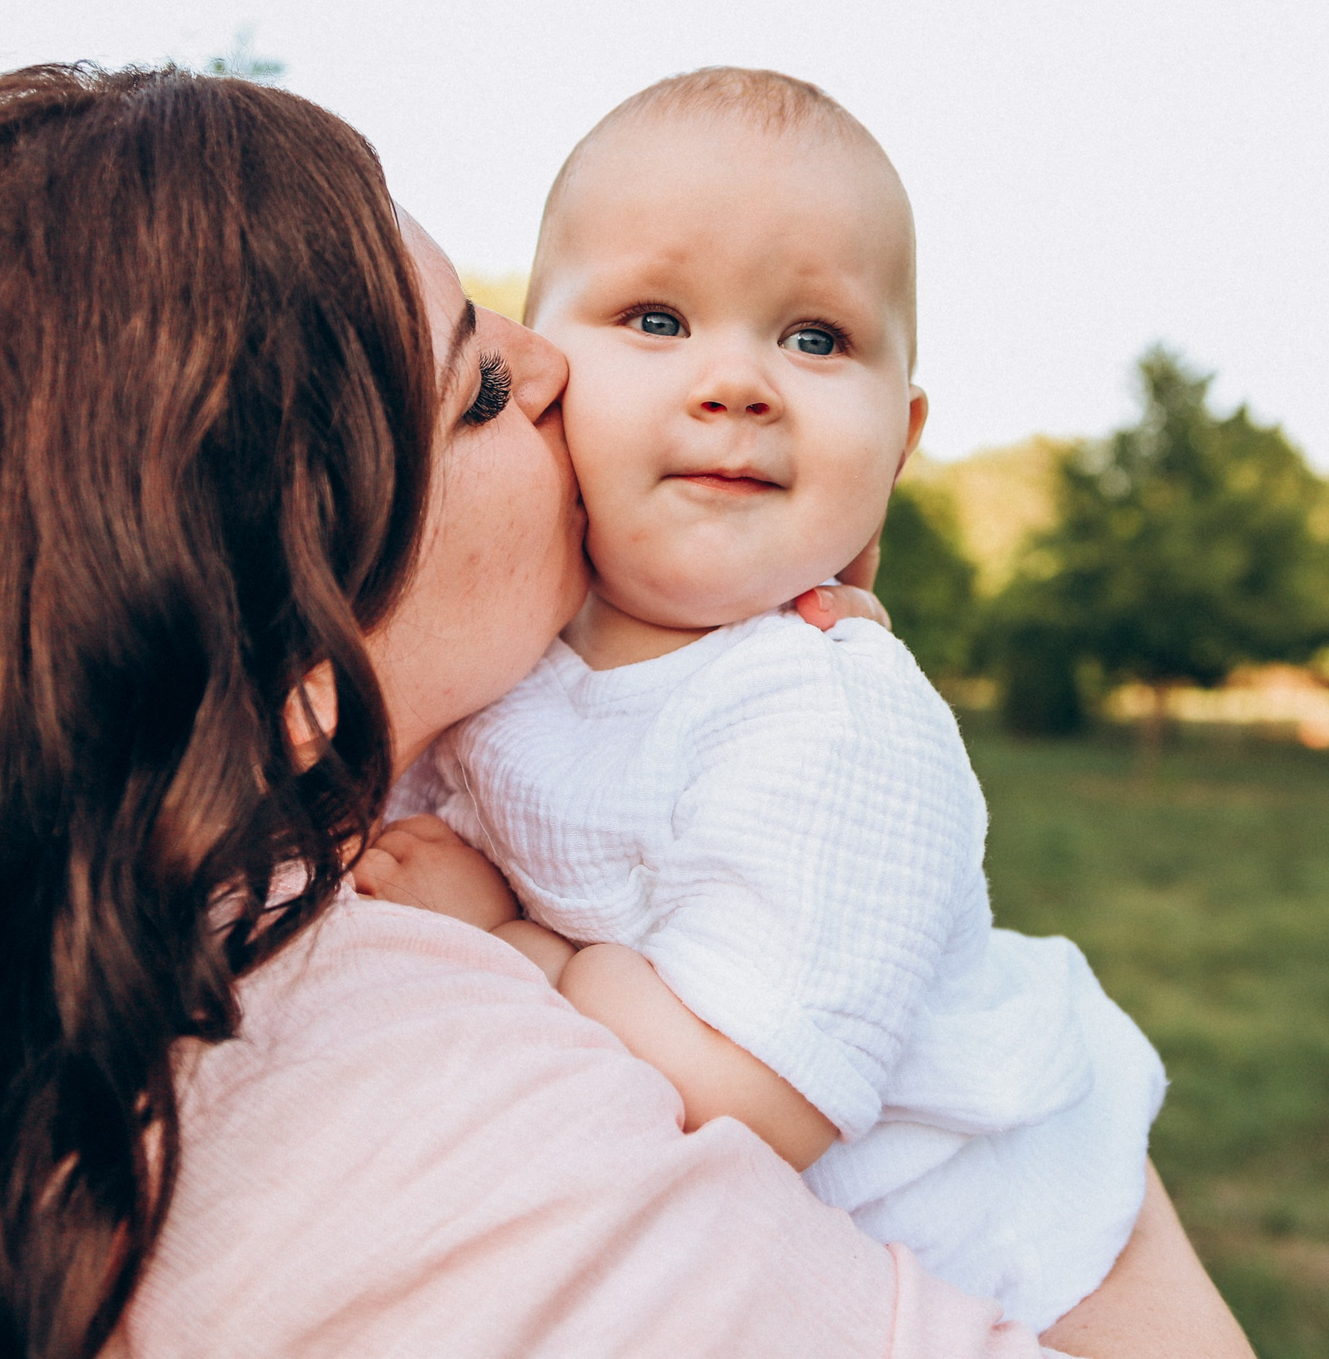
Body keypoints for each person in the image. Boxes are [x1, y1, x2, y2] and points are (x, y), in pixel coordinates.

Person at [0, 65, 1253, 1359]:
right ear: (293, 637)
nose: (559, 376)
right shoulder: (417, 1103)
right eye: (481, 382)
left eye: (810, 345)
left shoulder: (1, 940)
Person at [367, 68, 1160, 1330]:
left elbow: (745, 1096)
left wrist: (515, 942)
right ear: (540, 370)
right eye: (658, 319)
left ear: (897, 445)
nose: (737, 382)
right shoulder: (512, 646)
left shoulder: (829, 717)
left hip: (1014, 1258)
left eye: (814, 339)